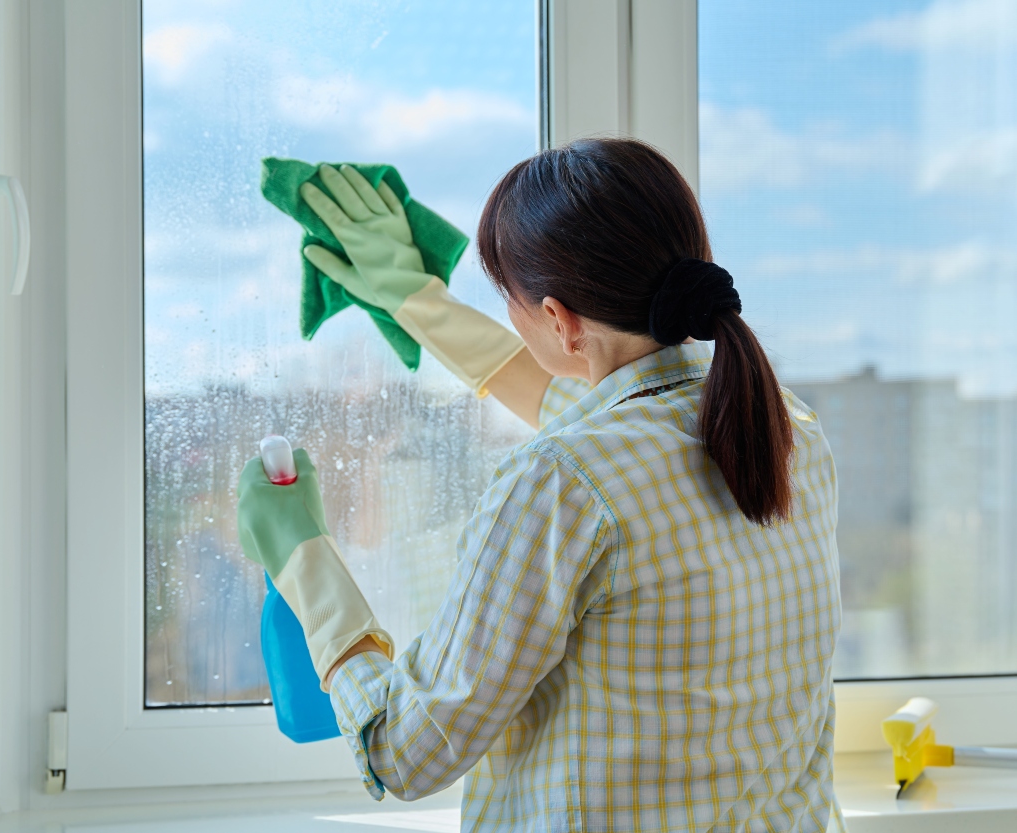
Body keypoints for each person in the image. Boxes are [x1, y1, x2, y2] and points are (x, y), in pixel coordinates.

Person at [237, 138, 844, 832]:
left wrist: (303, 557)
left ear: (558, 320)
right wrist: (417, 301)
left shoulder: (563, 481)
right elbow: (587, 405)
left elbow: (403, 752)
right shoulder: (785, 429)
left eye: (512, 301)